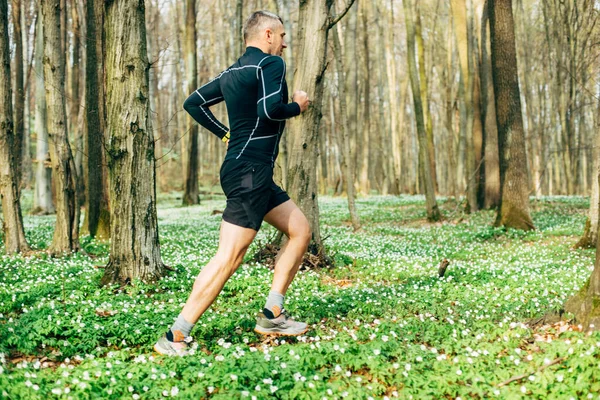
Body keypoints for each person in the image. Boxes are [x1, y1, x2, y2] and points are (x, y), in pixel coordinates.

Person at [154, 10, 312, 356]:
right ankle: (176, 334)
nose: (285, 42)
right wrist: (297, 106)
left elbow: (193, 103)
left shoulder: (233, 71)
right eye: (282, 35)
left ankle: (272, 312)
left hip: (248, 170)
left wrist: (226, 134)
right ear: (268, 34)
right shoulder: (270, 66)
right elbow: (270, 110)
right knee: (229, 257)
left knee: (300, 230)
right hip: (250, 172)